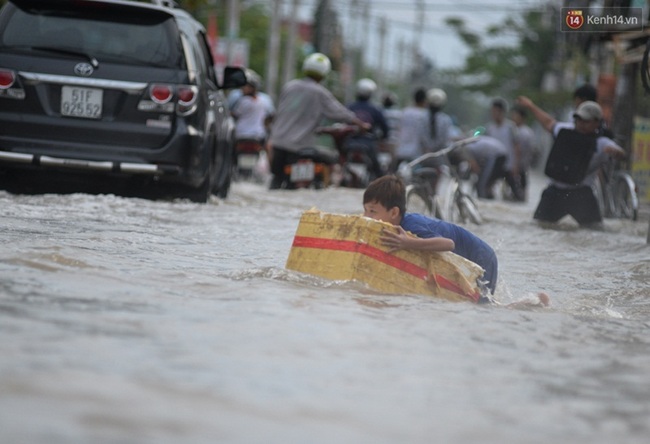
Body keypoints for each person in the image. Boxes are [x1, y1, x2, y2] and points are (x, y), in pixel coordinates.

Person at [362, 175, 498, 298]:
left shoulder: (411, 225)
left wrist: (408, 243)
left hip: (481, 257)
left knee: (482, 305)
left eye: (372, 211)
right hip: (470, 257)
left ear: (393, 213)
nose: (365, 216)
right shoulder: (397, 227)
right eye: (365, 210)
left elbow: (448, 244)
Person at [516, 96, 626, 228]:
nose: (581, 123)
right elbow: (548, 122)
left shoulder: (602, 143)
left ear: (597, 123)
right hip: (554, 193)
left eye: (586, 120)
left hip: (581, 195)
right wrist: (531, 106)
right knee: (538, 226)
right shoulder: (564, 130)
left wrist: (617, 153)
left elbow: (622, 154)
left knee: (595, 230)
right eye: (579, 119)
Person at [267, 53, 370, 189]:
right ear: (324, 73)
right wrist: (361, 124)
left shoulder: (289, 87)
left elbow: (279, 111)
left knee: (276, 180)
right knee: (326, 163)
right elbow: (340, 112)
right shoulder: (320, 92)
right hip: (300, 147)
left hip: (278, 143)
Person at [345, 78, 390, 178]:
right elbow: (385, 127)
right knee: (377, 170)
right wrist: (383, 137)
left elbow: (342, 122)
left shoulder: (349, 107)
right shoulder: (375, 109)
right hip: (368, 144)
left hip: (350, 142)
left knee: (341, 162)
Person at [486, 98, 524, 201]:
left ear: (502, 112)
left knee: (516, 193)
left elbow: (517, 146)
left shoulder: (510, 127)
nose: (494, 114)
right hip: (494, 163)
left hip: (509, 165)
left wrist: (515, 165)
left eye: (496, 111)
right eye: (493, 111)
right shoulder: (490, 128)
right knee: (487, 188)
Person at [391, 88, 432, 171]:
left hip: (401, 151)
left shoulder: (405, 112)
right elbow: (425, 135)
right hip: (416, 153)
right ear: (425, 100)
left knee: (394, 174)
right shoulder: (426, 115)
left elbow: (398, 130)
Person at [465, 135, 509, 199]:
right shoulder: (472, 145)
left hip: (497, 154)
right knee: (488, 178)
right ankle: (487, 195)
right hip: (501, 152)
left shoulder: (467, 148)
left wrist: (477, 175)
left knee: (484, 179)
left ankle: (484, 196)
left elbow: (475, 166)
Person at [510, 105, 537, 201]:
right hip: (520, 165)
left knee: (519, 193)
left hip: (519, 166)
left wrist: (516, 165)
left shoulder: (523, 132)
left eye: (515, 116)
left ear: (522, 117)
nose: (513, 118)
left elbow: (520, 150)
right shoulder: (524, 131)